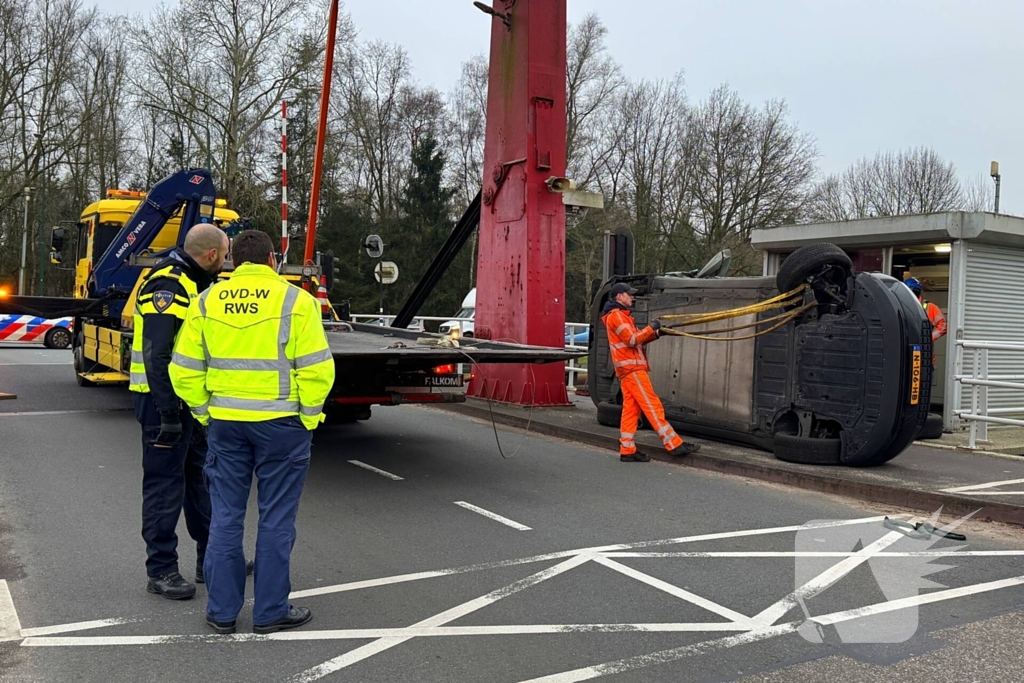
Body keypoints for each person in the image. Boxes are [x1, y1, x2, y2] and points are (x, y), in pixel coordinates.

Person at [170, 230, 335, 635]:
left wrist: (207, 412)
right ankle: (270, 611)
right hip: (283, 425)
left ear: (231, 261)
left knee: (225, 517)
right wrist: (308, 417)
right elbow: (317, 369)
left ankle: (222, 613)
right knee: (277, 518)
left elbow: (183, 369)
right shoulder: (297, 301)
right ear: (272, 260)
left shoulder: (206, 301)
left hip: (226, 424)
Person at [130, 223, 253, 600]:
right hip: (161, 401)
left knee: (202, 482)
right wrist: (169, 412)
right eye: (226, 253)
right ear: (213, 255)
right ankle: (162, 569)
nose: (227, 260)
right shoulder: (170, 283)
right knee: (165, 485)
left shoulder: (196, 282)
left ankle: (210, 558)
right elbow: (158, 353)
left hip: (188, 401)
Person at [602, 283, 700, 462]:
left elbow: (636, 339)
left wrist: (655, 333)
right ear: (619, 297)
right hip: (633, 370)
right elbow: (633, 340)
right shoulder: (617, 316)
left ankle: (627, 449)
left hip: (627, 370)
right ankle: (674, 444)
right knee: (652, 405)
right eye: (629, 295)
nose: (632, 297)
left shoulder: (619, 316)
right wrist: (651, 327)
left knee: (631, 410)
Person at [905, 277, 947, 362]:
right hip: (905, 353)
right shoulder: (902, 306)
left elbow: (943, 325)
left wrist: (928, 338)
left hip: (924, 356)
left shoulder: (929, 307)